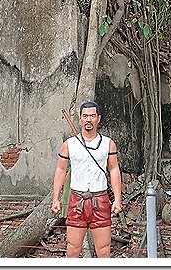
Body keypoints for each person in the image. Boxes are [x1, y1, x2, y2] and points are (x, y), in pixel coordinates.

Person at [51, 101, 123, 257]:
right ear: (80, 119)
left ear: (98, 118)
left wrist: (117, 198)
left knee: (103, 249)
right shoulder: (69, 144)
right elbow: (61, 169)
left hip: (101, 199)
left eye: (92, 116)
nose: (88, 119)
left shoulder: (108, 144)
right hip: (77, 200)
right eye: (85, 116)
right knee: (72, 247)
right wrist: (55, 198)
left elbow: (114, 169)